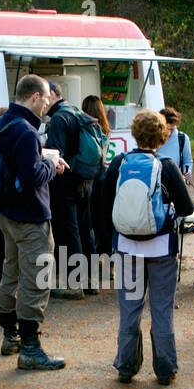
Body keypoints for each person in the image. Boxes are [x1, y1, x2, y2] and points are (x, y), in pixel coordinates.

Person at [98, 109, 194, 385]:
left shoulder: (119, 163)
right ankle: (165, 369)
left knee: (129, 309)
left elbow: (104, 208)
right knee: (161, 309)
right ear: (162, 137)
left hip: (127, 247)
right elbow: (186, 207)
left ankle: (126, 366)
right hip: (161, 248)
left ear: (134, 133)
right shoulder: (166, 165)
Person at [0, 74, 67, 370]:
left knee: (11, 272)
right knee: (36, 278)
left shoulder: (2, 122)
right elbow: (32, 176)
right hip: (30, 217)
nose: (48, 106)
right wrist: (52, 164)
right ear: (35, 97)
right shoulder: (26, 131)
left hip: (7, 215)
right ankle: (31, 349)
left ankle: (10, 336)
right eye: (47, 100)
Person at [44, 82, 95, 300]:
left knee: (68, 232)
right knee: (85, 229)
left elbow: (56, 154)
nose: (44, 102)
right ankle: (91, 281)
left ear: (54, 94)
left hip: (66, 181)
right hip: (85, 179)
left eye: (46, 96)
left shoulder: (58, 118)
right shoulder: (76, 112)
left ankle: (74, 285)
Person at [84, 95, 116, 266]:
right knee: (104, 222)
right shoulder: (106, 129)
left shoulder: (85, 129)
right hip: (103, 177)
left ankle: (93, 260)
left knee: (90, 221)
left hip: (90, 178)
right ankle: (109, 262)